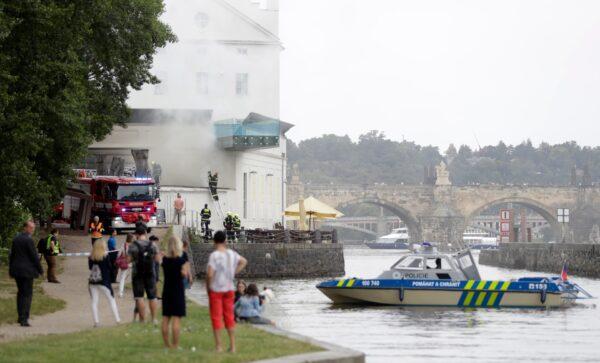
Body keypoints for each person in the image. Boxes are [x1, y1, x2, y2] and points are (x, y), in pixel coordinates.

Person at [207, 231, 247, 353]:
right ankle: (233, 346)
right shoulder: (232, 254)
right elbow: (244, 261)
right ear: (225, 241)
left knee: (216, 317)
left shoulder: (214, 256)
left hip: (217, 290)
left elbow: (209, 274)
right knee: (229, 317)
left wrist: (208, 286)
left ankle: (219, 346)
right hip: (229, 289)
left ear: (214, 242)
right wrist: (234, 272)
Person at [9, 220, 43, 327]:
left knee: (20, 293)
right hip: (27, 271)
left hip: (17, 270)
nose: (32, 230)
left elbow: (12, 256)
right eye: (31, 228)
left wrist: (11, 269)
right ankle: (24, 318)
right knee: (27, 294)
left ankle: (20, 316)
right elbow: (34, 257)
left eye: (33, 228)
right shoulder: (29, 241)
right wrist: (40, 269)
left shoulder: (16, 239)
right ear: (26, 228)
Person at [160, 235, 192, 349]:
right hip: (177, 290)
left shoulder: (165, 260)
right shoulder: (181, 260)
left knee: (165, 318)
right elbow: (184, 274)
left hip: (167, 290)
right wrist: (185, 269)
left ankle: (166, 344)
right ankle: (175, 345)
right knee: (176, 319)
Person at [127, 224, 159, 323]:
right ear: (145, 233)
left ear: (136, 234)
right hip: (150, 273)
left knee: (139, 297)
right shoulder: (152, 244)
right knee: (152, 297)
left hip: (137, 274)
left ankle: (143, 320)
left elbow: (128, 260)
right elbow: (158, 259)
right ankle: (154, 319)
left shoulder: (133, 245)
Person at [88, 239, 121, 327]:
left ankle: (96, 322)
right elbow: (109, 268)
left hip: (93, 281)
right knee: (111, 300)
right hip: (104, 281)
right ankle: (117, 320)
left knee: (94, 302)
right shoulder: (105, 256)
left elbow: (90, 268)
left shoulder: (91, 256)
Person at [118, 233, 134, 298]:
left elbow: (119, 254)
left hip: (124, 263)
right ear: (131, 238)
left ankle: (120, 293)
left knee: (122, 278)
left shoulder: (123, 245)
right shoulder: (132, 246)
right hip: (131, 263)